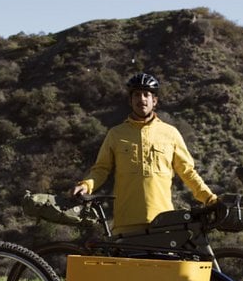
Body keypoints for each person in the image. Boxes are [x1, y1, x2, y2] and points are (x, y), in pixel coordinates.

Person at [72, 72, 218, 232]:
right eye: (136, 95)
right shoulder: (116, 134)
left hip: (164, 222)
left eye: (146, 95)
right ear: (130, 100)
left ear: (154, 101)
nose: (141, 99)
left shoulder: (170, 133)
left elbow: (188, 172)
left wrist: (210, 199)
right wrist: (86, 185)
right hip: (126, 223)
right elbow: (101, 169)